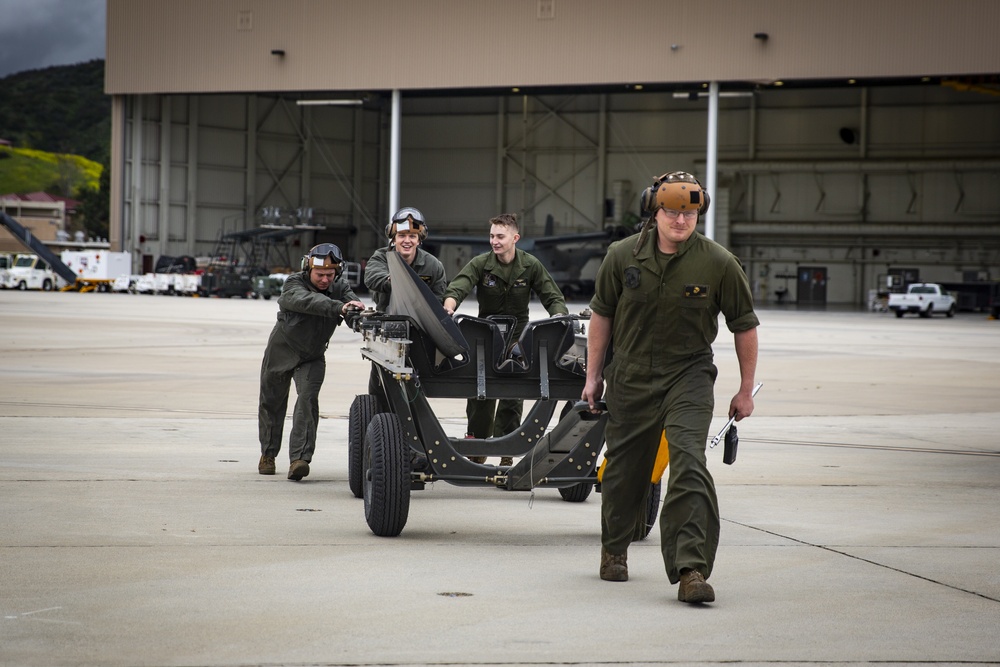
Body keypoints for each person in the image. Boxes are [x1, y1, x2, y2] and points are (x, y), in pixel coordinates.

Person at [582, 171, 759, 604]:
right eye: (672, 211)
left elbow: (745, 326)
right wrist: (593, 375)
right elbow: (601, 317)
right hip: (631, 375)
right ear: (654, 210)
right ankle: (615, 548)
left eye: (690, 212)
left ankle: (691, 569)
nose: (681, 220)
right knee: (626, 468)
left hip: (690, 375)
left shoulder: (719, 263)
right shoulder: (622, 256)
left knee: (688, 462)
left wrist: (745, 389)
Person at [443, 213, 568, 463]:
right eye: (491, 236)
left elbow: (552, 296)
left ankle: (507, 452)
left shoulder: (530, 265)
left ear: (515, 238)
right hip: (486, 336)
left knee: (513, 393)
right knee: (481, 393)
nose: (494, 241)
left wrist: (560, 319)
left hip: (518, 337)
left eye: (500, 236)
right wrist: (449, 306)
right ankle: (477, 448)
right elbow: (459, 286)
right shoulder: (481, 263)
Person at [258, 243, 365, 481]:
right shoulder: (293, 284)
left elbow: (352, 307)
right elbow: (305, 301)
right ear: (308, 269)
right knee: (271, 402)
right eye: (320, 275)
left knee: (307, 399)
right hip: (282, 350)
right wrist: (340, 307)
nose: (326, 279)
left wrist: (362, 317)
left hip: (313, 356)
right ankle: (268, 454)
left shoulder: (340, 287)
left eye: (330, 275)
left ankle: (299, 459)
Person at [364, 207, 448, 399]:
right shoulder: (381, 257)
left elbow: (438, 298)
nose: (407, 241)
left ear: (420, 238)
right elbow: (372, 277)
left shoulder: (433, 265)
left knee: (415, 388)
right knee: (380, 386)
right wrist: (396, 280)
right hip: (387, 329)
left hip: (420, 331)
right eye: (402, 235)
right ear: (393, 237)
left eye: (412, 235)